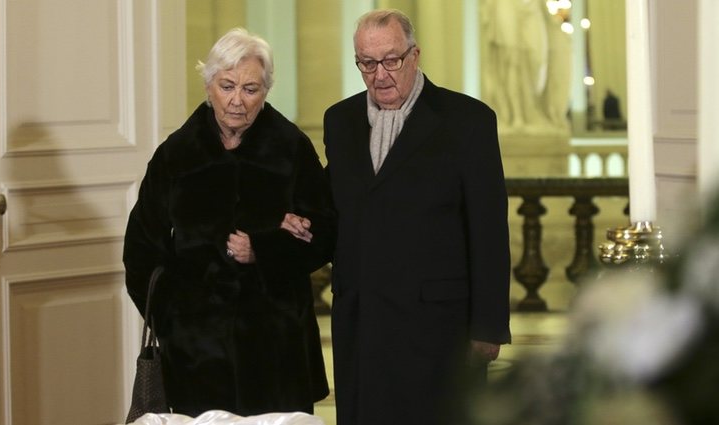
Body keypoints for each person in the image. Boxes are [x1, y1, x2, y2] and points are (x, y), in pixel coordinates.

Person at [123, 28, 335, 418]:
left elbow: (324, 232)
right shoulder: (176, 154)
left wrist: (264, 249)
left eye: (251, 88)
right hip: (196, 354)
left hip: (277, 348)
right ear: (209, 87)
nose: (238, 100)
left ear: (266, 91)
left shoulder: (291, 148)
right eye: (227, 86)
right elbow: (139, 251)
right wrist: (174, 320)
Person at [322, 9, 511, 425]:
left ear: (415, 55)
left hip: (438, 328)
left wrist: (489, 326)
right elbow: (332, 204)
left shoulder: (469, 121)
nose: (380, 74)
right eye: (367, 63)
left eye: (391, 60)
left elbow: (489, 230)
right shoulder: (339, 121)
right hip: (362, 321)